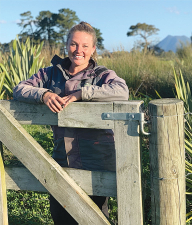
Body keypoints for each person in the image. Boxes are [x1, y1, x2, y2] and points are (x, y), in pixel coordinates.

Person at [13, 21, 129, 224]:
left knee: (95, 216)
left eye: (85, 46)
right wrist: (44, 94)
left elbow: (122, 92)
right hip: (62, 157)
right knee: (61, 214)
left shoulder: (101, 75)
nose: (79, 50)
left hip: (96, 159)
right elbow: (19, 89)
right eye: (74, 44)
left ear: (93, 49)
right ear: (66, 45)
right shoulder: (49, 74)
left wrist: (81, 93)